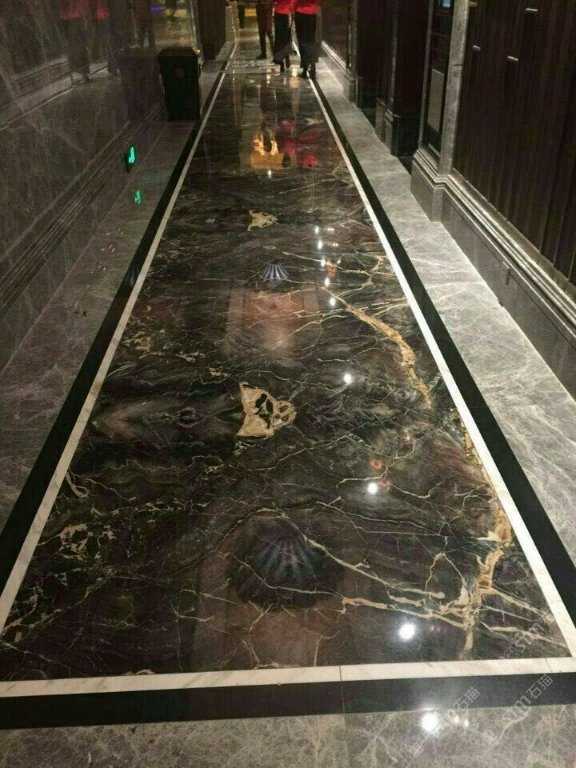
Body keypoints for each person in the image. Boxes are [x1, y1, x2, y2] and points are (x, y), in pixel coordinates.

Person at [60, 0, 91, 82]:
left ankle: (82, 72)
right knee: (79, 47)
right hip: (75, 18)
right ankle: (83, 72)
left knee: (76, 47)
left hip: (70, 18)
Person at [294, 0, 320, 78]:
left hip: (300, 12)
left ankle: (305, 67)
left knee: (302, 40)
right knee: (311, 40)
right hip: (312, 13)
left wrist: (292, 9)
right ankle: (312, 64)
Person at [273, 0, 294, 73]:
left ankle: (280, 60)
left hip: (279, 12)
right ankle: (286, 56)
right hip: (287, 12)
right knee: (286, 36)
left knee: (279, 37)